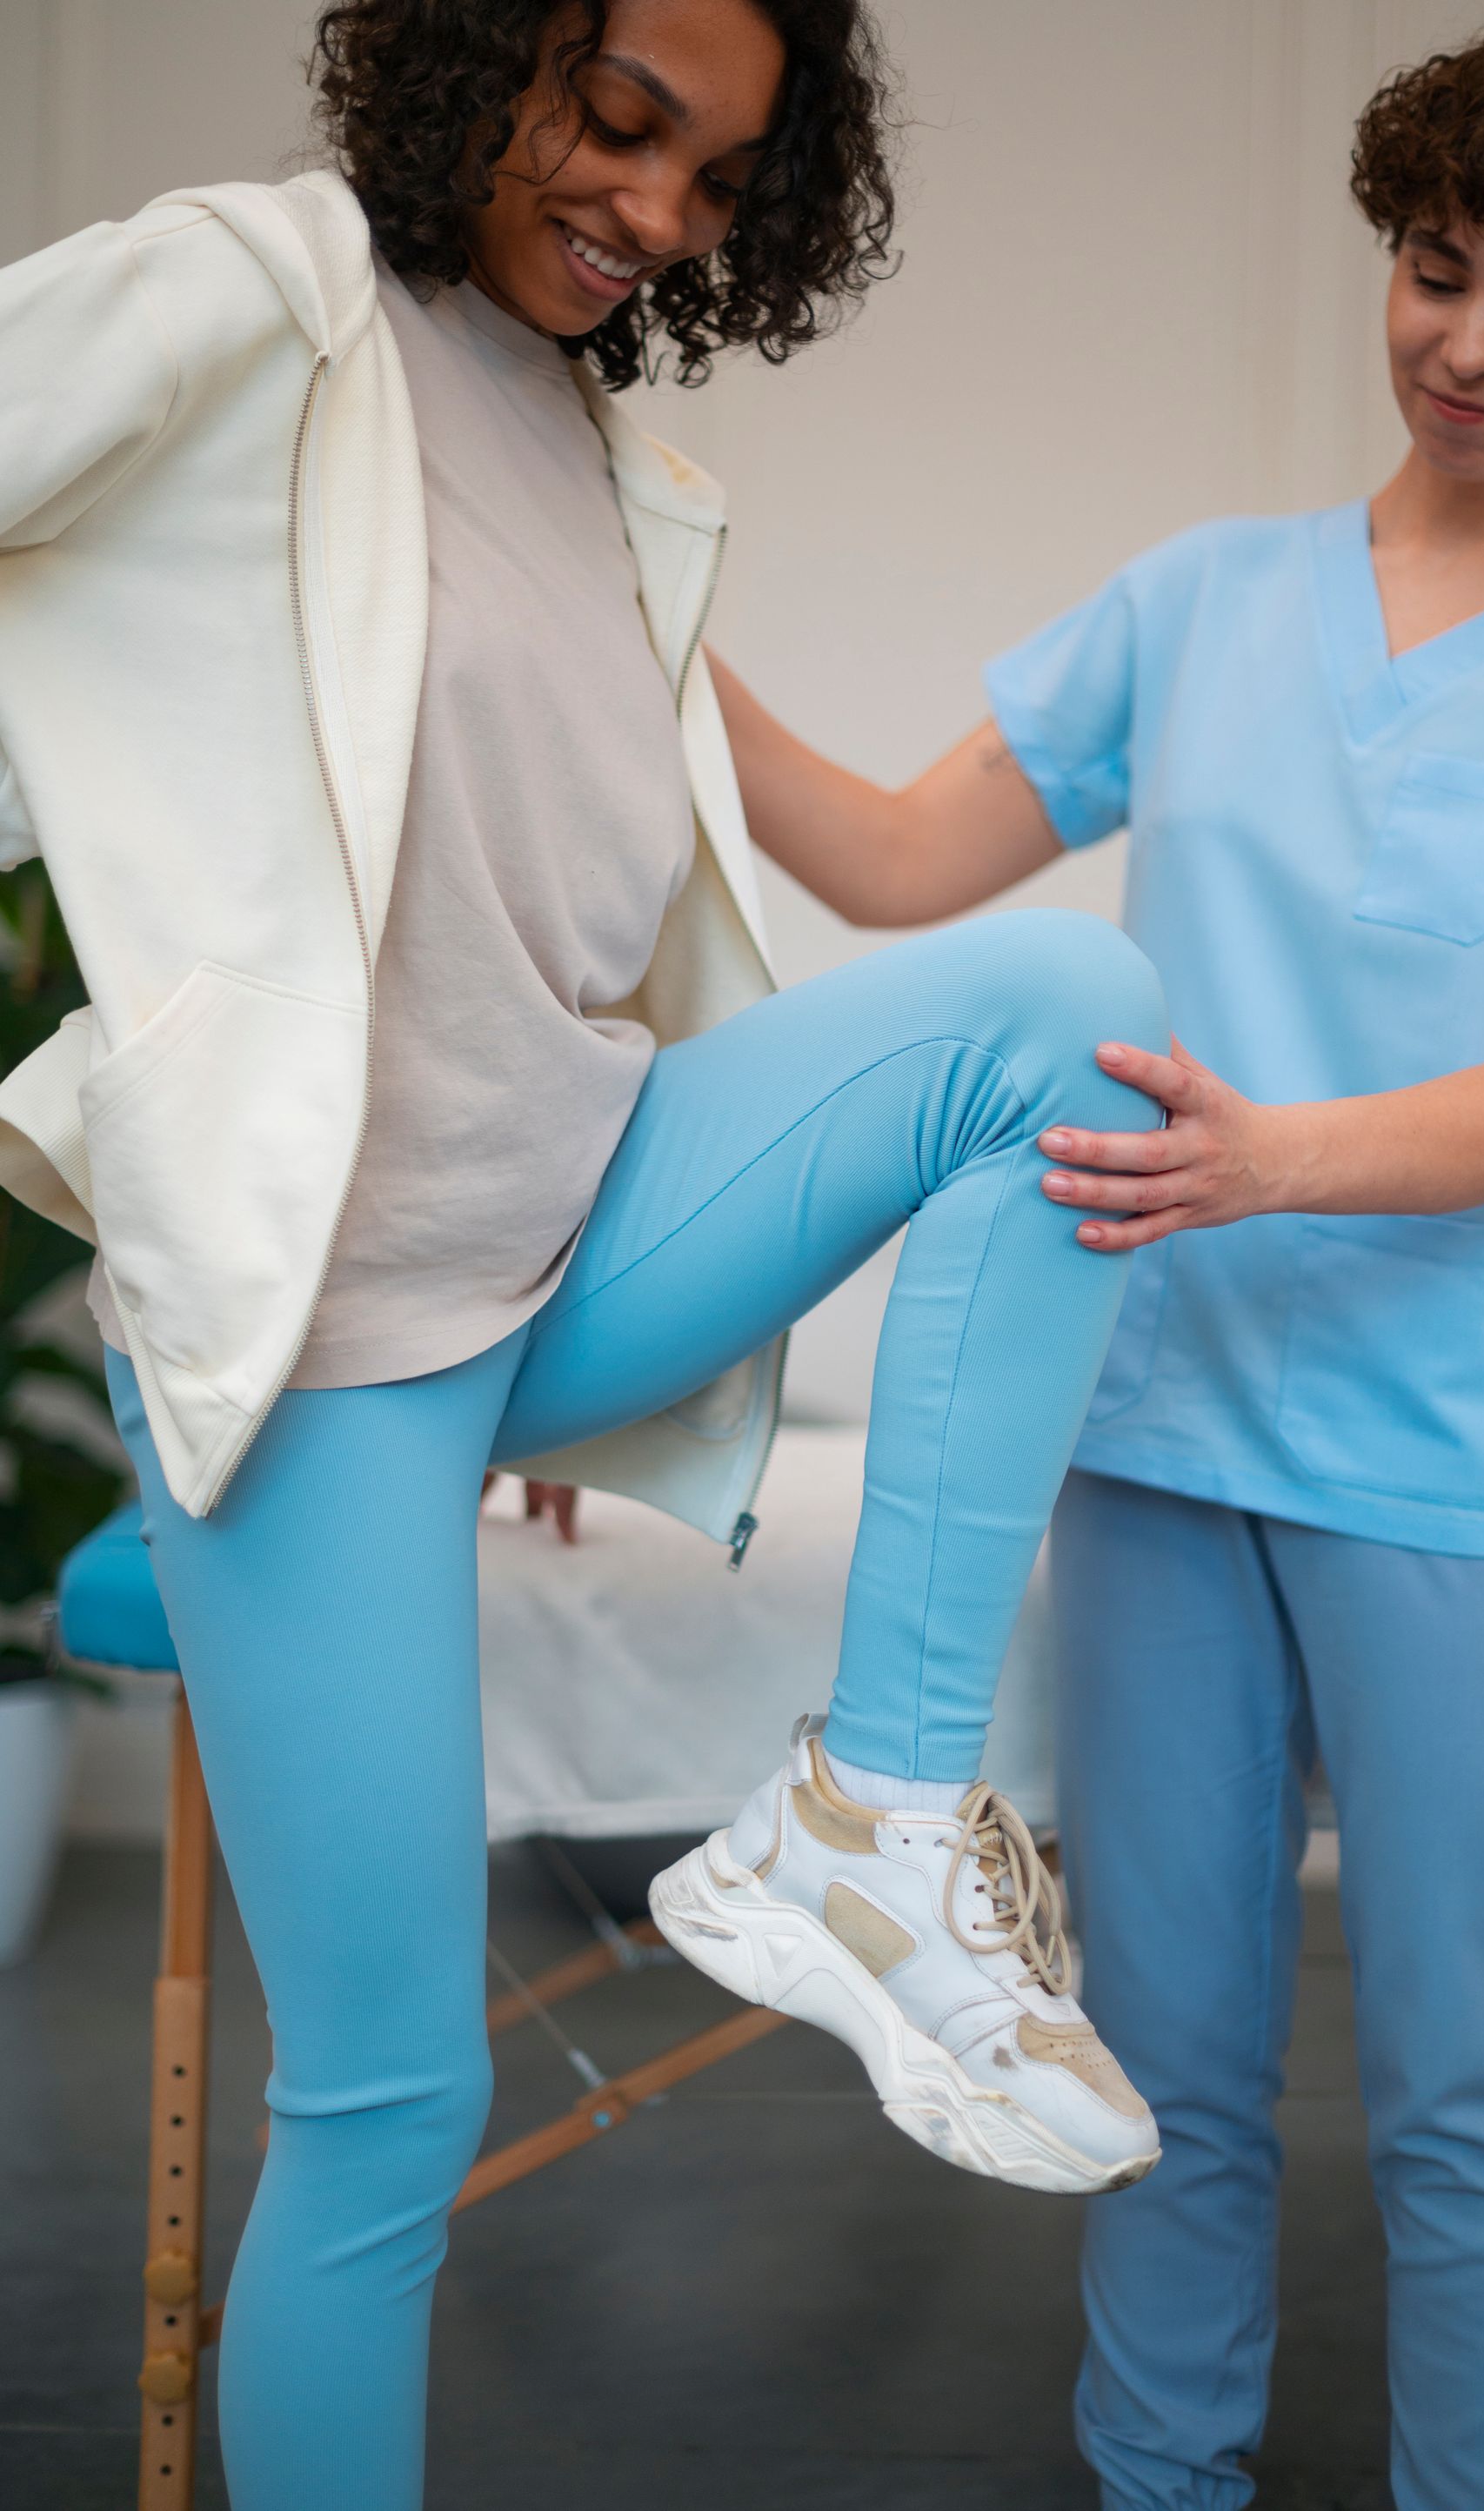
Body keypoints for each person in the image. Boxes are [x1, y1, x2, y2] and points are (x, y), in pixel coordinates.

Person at [0, 5, 1173, 2503]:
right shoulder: (259, 286)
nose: (652, 209)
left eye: (721, 180)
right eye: (618, 122)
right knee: (394, 2107)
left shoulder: (615, 459)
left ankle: (872, 1822)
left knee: (1075, 1014)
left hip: (580, 1223)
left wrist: (597, 1354)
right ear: (469, 61)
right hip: (330, 1330)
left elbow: (549, 934)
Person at [710, 23, 1484, 2508]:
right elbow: (904, 865)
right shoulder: (1203, 603)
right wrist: (652, 639)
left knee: (1469, 2078)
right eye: (1436, 274)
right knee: (1152, 2056)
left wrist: (1275, 1161)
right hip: (1149, 1433)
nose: (1473, 344)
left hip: (1453, 1459)